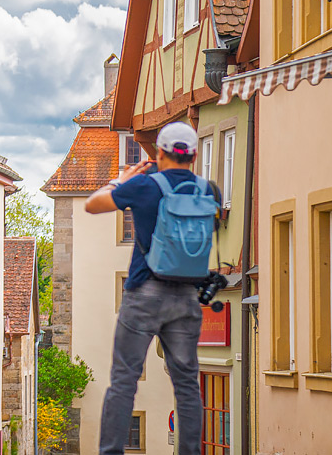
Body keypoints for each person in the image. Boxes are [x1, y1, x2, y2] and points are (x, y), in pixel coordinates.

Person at [84, 122, 222, 455]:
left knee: (124, 380)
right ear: (193, 155)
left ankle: (111, 451)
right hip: (188, 296)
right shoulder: (209, 191)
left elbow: (92, 204)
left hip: (144, 291)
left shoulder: (145, 186)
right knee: (188, 385)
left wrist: (121, 180)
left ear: (159, 152)